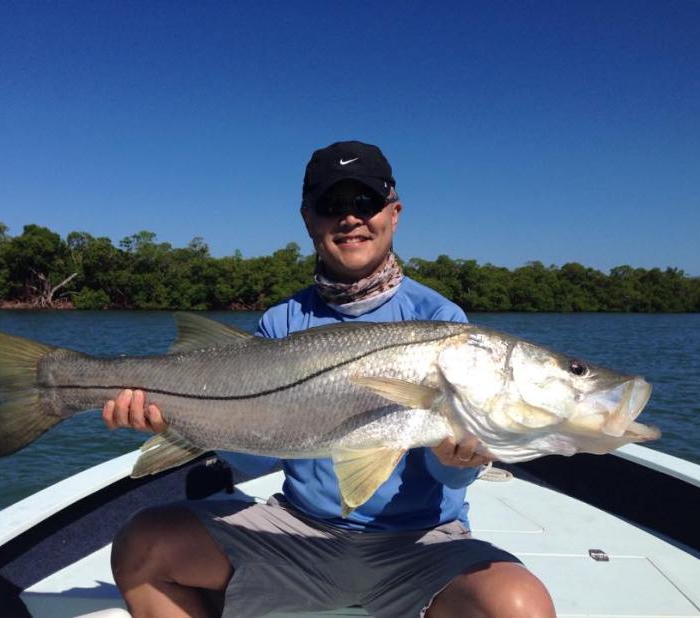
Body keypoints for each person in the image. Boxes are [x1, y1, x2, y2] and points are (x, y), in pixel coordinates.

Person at [103, 141, 556, 618]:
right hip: (300, 534)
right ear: (308, 219)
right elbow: (258, 459)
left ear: (394, 213)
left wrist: (460, 461)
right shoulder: (282, 321)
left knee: (519, 606)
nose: (350, 217)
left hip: (421, 544)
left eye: (366, 201)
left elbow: (449, 477)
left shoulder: (442, 321)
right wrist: (181, 422)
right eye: (331, 204)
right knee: (141, 547)